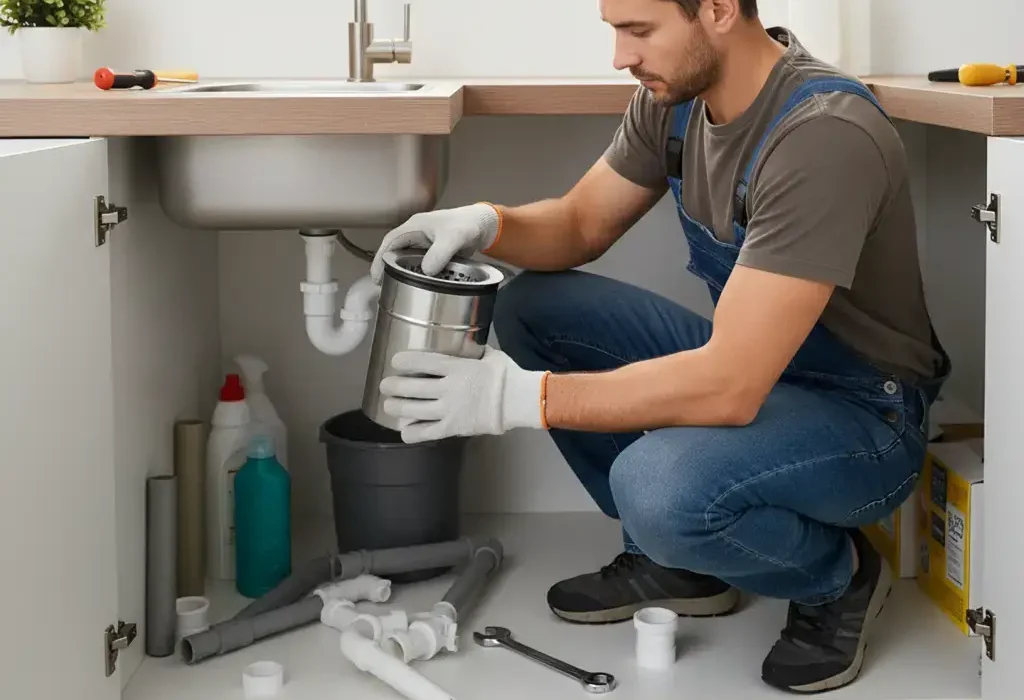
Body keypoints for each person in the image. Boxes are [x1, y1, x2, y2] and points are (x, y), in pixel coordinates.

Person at [369, 0, 950, 693]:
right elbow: (581, 223)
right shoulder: (676, 103)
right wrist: (484, 224)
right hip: (759, 369)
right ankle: (679, 563)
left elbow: (730, 385)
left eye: (638, 30)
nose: (621, 56)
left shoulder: (821, 135)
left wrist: (516, 398)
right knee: (532, 306)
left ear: (718, 10)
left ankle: (837, 578)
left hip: (862, 423)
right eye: (616, 29)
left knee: (655, 485)